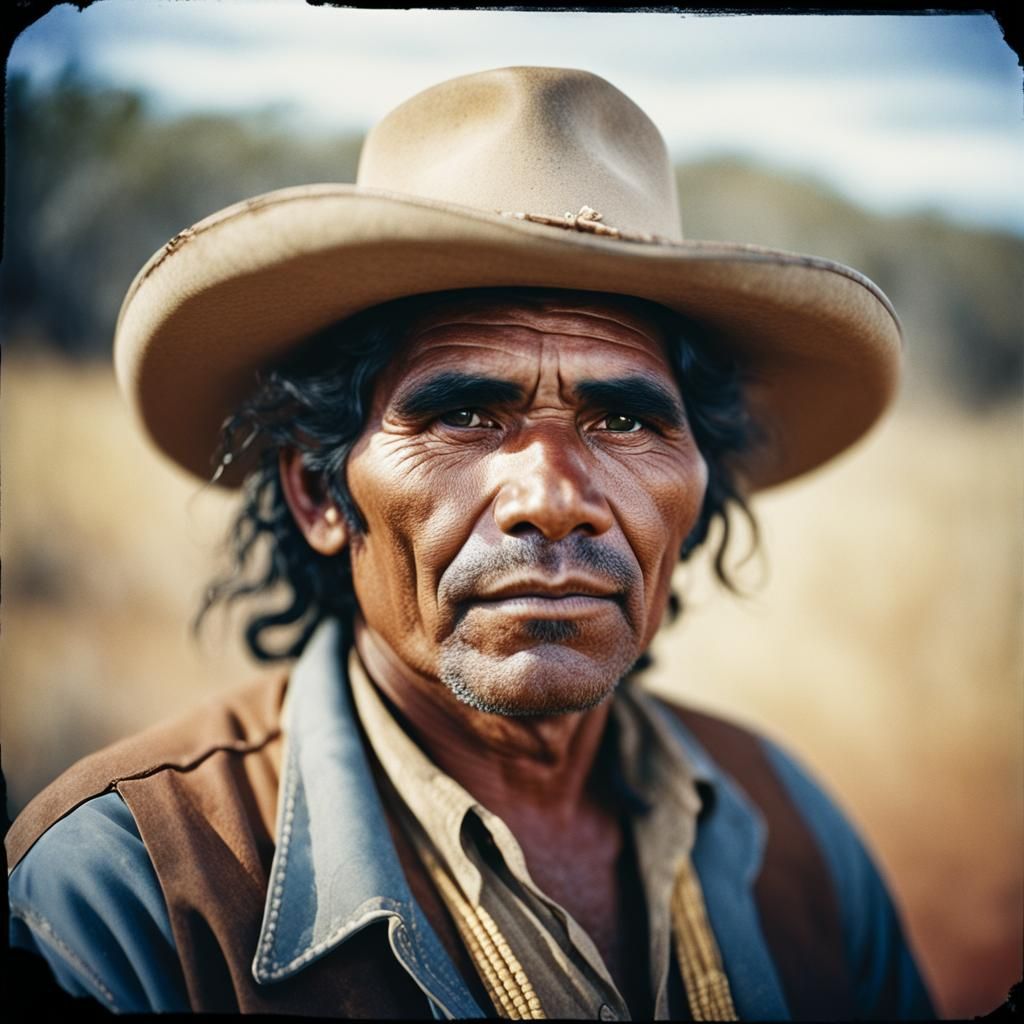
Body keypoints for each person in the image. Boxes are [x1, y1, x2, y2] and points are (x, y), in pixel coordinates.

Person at [5, 66, 935, 1019]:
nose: (553, 499)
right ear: (319, 492)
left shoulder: (793, 831)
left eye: (621, 421)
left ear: (696, 494)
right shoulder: (130, 890)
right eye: (464, 415)